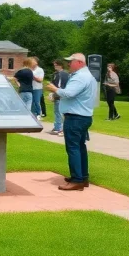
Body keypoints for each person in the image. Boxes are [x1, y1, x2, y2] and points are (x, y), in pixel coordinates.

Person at [46, 53, 97, 191]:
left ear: (80, 63)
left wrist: (54, 89)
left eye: (71, 61)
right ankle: (83, 177)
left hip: (75, 117)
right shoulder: (87, 76)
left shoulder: (80, 77)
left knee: (73, 148)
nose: (69, 64)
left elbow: (69, 93)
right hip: (83, 116)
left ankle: (77, 179)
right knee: (80, 147)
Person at [49, 60, 69, 136]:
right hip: (58, 94)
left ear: (60, 65)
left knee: (60, 112)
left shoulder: (63, 74)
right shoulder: (56, 74)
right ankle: (57, 127)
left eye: (56, 65)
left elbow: (59, 85)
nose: (54, 66)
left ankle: (60, 128)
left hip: (61, 94)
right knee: (57, 111)